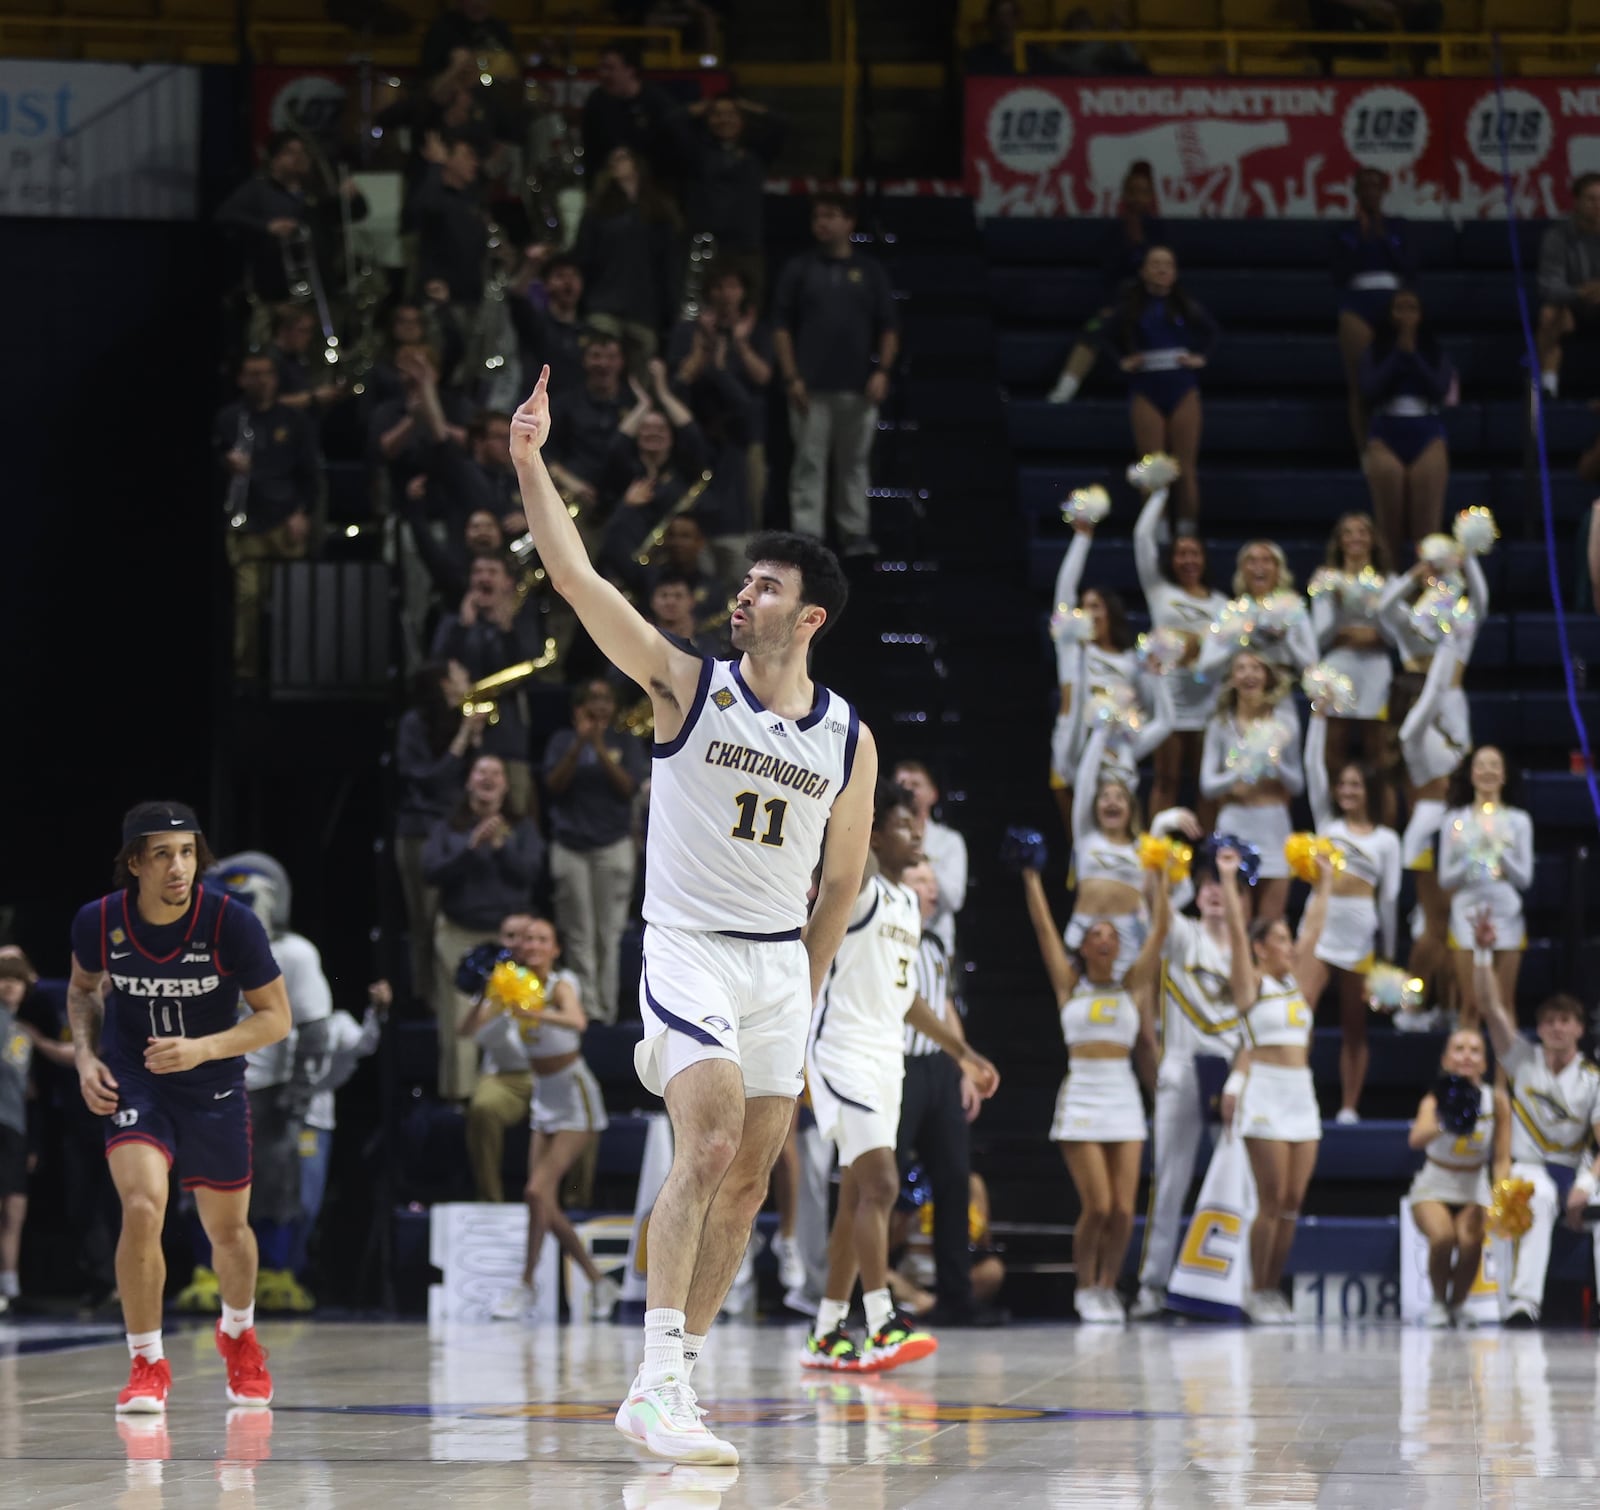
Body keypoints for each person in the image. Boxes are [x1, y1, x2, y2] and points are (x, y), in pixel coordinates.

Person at [511, 365, 880, 1464]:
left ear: (806, 614)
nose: (740, 597)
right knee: (708, 1137)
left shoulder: (848, 738)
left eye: (763, 587)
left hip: (779, 970)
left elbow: (842, 884)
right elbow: (577, 580)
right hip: (686, 948)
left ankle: (684, 1376)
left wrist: (808, 995)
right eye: (743, 583)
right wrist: (530, 461)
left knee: (754, 1176)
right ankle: (654, 1376)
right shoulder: (685, 684)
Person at [67, 801, 290, 1412]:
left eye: (188, 852)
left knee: (229, 1232)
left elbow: (277, 1018)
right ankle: (147, 1361)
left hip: (212, 1082)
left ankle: (239, 1334)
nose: (179, 866)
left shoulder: (231, 922)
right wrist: (86, 1059)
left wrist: (203, 1049)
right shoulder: (99, 921)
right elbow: (83, 991)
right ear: (134, 862)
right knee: (142, 1207)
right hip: (136, 1081)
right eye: (163, 854)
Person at [802, 784, 999, 1371]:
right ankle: (882, 1319)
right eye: (903, 825)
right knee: (883, 1186)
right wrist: (859, 793)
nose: (918, 834)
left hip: (888, 1057)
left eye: (920, 826)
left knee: (859, 1196)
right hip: (842, 1051)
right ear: (876, 835)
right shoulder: (857, 887)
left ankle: (827, 1331)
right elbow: (852, 849)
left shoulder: (908, 906)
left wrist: (963, 1052)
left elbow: (908, 997)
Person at [1022, 838, 1164, 1322]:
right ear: (1083, 944)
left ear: (1119, 946)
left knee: (1124, 1210)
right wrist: (1031, 879)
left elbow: (1160, 931)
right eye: (1095, 933)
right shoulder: (1070, 985)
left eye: (1111, 934)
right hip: (1082, 1092)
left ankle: (1108, 1285)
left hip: (1123, 1093)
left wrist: (1160, 876)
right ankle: (1085, 1284)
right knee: (1098, 1205)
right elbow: (1043, 930)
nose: (1104, 938)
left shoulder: (1133, 987)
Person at [476, 916, 622, 1322]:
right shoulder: (509, 984)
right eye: (527, 940)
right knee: (538, 1199)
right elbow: (465, 1029)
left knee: (538, 1193)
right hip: (543, 1095)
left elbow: (576, 1021)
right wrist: (480, 997)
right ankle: (595, 1281)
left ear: (555, 948)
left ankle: (529, 1285)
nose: (533, 946)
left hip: (575, 1094)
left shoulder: (561, 982)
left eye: (543, 940)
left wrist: (532, 1011)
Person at [1219, 845, 1333, 1326]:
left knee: (1291, 1202)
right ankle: (1255, 1286)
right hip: (1264, 1090)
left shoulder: (1298, 984)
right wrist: (1228, 882)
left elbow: (1315, 928)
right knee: (1270, 1198)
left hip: (1300, 1093)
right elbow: (1235, 937)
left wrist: (1324, 883)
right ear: (1262, 948)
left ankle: (1272, 1287)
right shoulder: (1252, 985)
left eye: (1289, 940)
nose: (1290, 946)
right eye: (1280, 940)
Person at [1131, 849, 1244, 1319]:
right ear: (1196, 893)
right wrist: (1160, 838)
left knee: (1238, 1183)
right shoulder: (1181, 935)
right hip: (1181, 1068)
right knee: (1170, 1181)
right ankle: (1152, 1284)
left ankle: (1234, 1284)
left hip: (1231, 1074)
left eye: (1223, 884)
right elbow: (1151, 903)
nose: (1215, 891)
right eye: (1207, 884)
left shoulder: (1244, 951)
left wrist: (1239, 1077)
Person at [1472, 914, 1600, 1328]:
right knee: (1537, 1196)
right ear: (1540, 1028)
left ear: (1580, 1029)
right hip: (1530, 1167)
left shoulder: (1593, 1079)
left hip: (1577, 1168)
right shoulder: (1523, 1059)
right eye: (1549, 1021)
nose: (1557, 1028)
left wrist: (1584, 1186)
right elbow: (1490, 1008)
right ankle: (1524, 1304)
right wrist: (1482, 951)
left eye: (1566, 1021)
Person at [1380, 546, 1486, 1013]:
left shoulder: (1460, 629)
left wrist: (1470, 558)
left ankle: (1442, 1005)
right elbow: (1384, 607)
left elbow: (1481, 603)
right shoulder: (1414, 630)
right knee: (1436, 923)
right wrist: (1413, 574)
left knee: (1448, 922)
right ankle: (1412, 1003)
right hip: (1429, 820)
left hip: (1453, 812)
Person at [773, 192, 900, 557]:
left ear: (849, 222)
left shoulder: (870, 271)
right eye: (817, 216)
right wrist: (792, 377)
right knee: (808, 464)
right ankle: (808, 534)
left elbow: (889, 327)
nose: (822, 223)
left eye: (830, 215)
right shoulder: (799, 269)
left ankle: (854, 532)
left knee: (855, 464)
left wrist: (883, 371)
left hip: (858, 386)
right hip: (809, 387)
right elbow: (781, 327)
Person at [895, 860, 987, 1326]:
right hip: (896, 1064)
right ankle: (858, 1293)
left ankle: (957, 1295)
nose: (930, 888)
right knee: (881, 1180)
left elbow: (946, 1007)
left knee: (954, 1176)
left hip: (937, 1067)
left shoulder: (934, 944)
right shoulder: (885, 934)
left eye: (933, 880)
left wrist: (966, 1065)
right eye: (920, 880)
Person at [422, 753, 546, 1101]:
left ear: (506, 785)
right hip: (460, 935)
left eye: (496, 773)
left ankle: (524, 1098)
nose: (488, 779)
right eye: (481, 773)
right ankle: (461, 1099)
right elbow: (430, 872)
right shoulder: (450, 828)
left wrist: (501, 847)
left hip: (511, 941)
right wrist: (471, 847)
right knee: (460, 1023)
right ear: (469, 782)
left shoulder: (521, 827)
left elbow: (532, 874)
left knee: (516, 1020)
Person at [1304, 707, 1401, 1122]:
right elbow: (1312, 765)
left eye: (1355, 785)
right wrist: (1320, 718)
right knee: (1299, 1013)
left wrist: (1389, 956)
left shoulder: (1386, 840)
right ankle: (1296, 1091)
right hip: (1320, 922)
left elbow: (1391, 899)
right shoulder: (1327, 827)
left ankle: (1348, 1105)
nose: (1347, 790)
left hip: (1361, 928)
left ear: (1369, 790)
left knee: (1353, 1024)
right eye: (1342, 784)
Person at [1048, 519, 1169, 830]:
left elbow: (1154, 711)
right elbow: (1063, 592)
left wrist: (1158, 674)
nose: (1088, 612)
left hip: (1116, 744)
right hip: (1075, 738)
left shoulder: (1131, 660)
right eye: (1083, 606)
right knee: (1081, 834)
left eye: (1096, 606)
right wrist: (1082, 538)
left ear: (1110, 612)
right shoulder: (1072, 649)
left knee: (1118, 828)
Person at [543, 679, 649, 1026]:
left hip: (612, 846)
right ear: (578, 707)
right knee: (578, 933)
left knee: (608, 934)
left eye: (606, 698)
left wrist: (600, 746)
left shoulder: (625, 741)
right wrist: (579, 744)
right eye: (592, 698)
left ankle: (607, 1008)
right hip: (570, 847)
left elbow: (628, 787)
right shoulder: (561, 740)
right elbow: (553, 786)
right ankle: (586, 1008)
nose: (599, 705)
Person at [214, 352, 322, 680]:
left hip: (284, 521)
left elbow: (310, 474)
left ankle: (291, 672)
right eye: (252, 374)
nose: (260, 380)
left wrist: (303, 512)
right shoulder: (230, 418)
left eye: (266, 374)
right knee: (247, 600)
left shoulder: (293, 420)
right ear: (241, 379)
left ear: (275, 379)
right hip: (246, 524)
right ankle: (246, 673)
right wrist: (226, 463)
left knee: (291, 601)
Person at [1133, 470, 1227, 816]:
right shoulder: (1160, 591)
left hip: (1207, 697)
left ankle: (1207, 858)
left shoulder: (1219, 602)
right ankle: (1160, 853)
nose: (1188, 561)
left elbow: (1223, 645)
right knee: (1166, 778)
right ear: (1171, 560)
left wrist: (1196, 644)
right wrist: (1159, 493)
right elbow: (1141, 538)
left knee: (1206, 782)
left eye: (1195, 554)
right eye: (1181, 554)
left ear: (1204, 560)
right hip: (1168, 695)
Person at [429, 552, 551, 813]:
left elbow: (533, 668)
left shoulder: (520, 621)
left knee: (516, 810)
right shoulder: (454, 622)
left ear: (507, 582)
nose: (483, 578)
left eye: (492, 572)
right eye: (478, 572)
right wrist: (464, 627)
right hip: (460, 735)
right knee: (459, 812)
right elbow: (436, 673)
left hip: (509, 736)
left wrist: (507, 631)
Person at [395, 661, 486, 1009]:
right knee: (426, 920)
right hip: (421, 831)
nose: (469, 680)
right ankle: (427, 995)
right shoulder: (414, 724)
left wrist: (474, 738)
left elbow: (468, 779)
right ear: (445, 683)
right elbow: (428, 780)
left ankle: (456, 988)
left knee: (452, 917)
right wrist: (464, 737)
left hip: (455, 828)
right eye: (462, 675)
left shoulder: (459, 718)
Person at [1404, 1028, 1507, 1327]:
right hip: (1435, 1181)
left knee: (1470, 1240)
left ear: (1485, 1063)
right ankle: (1438, 1301)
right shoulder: (1434, 1099)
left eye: (1475, 1050)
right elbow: (1416, 1139)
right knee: (1444, 1237)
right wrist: (1446, 1121)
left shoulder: (1496, 1101)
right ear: (1446, 1060)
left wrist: (1501, 1196)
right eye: (1459, 1048)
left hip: (1474, 1183)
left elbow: (1500, 1157)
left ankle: (1459, 1303)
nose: (1466, 1055)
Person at [1110, 246, 1217, 528]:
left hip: (1181, 384)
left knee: (1185, 467)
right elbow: (1105, 334)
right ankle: (1156, 533)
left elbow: (1212, 333)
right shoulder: (1131, 306)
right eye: (1155, 264)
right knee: (1153, 468)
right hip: (1147, 384)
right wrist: (1123, 360)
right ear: (1143, 270)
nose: (1161, 269)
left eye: (1167, 264)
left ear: (1175, 272)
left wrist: (1200, 357)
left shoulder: (1185, 304)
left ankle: (1186, 532)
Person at [1048, 162, 1167, 404]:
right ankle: (1065, 389)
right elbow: (1108, 278)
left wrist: (1141, 245)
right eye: (1132, 191)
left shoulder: (1161, 232)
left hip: (1155, 303)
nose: (1137, 197)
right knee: (1094, 327)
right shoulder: (1114, 233)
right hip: (1121, 306)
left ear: (1152, 196)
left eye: (1143, 191)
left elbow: (1166, 274)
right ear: (1124, 195)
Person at [1200, 653, 1306, 924]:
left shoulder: (1283, 726)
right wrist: (1239, 771)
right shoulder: (1220, 725)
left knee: (1270, 925)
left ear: (1267, 676)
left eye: (1256, 668)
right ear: (1232, 679)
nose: (1249, 674)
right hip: (1235, 825)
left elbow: (1297, 785)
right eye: (1241, 668)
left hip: (1274, 825)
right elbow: (1207, 785)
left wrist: (1276, 763)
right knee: (1235, 922)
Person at [214, 130, 367, 309]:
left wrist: (354, 197)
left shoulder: (317, 192)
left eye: (303, 153)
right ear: (274, 159)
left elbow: (356, 214)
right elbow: (224, 216)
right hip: (277, 291)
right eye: (289, 152)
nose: (299, 158)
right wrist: (267, 226)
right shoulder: (258, 189)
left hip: (320, 290)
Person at [1438, 746, 1533, 1031]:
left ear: (1504, 775)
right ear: (1471, 774)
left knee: (1503, 1005)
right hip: (1467, 915)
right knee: (1472, 1003)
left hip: (1506, 915)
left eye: (1495, 765)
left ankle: (1506, 1078)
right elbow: (1445, 879)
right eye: (1481, 765)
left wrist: (1499, 849)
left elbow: (1525, 879)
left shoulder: (1519, 821)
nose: (1488, 771)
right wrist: (1472, 852)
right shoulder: (1455, 820)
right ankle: (1469, 1075)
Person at [0, 957, 74, 1314]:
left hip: (14, 1127)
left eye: (16, 980)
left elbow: (28, 1090)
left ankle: (10, 1288)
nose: (9, 986)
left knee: (14, 1208)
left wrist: (33, 1141)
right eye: (3, 979)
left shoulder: (22, 1031)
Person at [1361, 289, 1454, 566]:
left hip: (1426, 431)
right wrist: (1398, 354)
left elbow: (1440, 389)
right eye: (1399, 308)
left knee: (1427, 526)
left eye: (1411, 308)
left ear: (1422, 315)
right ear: (1389, 315)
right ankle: (1390, 582)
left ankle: (1425, 589)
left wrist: (1413, 355)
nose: (1405, 315)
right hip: (1386, 432)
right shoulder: (1375, 351)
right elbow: (1369, 389)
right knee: (1388, 523)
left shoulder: (1435, 351)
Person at [667, 94, 786, 302]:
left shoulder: (756, 155)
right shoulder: (697, 152)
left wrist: (747, 105)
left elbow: (781, 124)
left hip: (746, 246)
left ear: (742, 119)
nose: (724, 120)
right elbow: (670, 124)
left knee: (749, 309)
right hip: (706, 246)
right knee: (698, 310)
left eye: (731, 114)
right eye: (717, 114)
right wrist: (701, 107)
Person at [1308, 513, 1396, 792]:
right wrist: (1336, 611)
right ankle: (1332, 819)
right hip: (1338, 667)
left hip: (1376, 669)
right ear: (1339, 542)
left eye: (1362, 531)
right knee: (1333, 746)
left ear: (1372, 539)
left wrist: (1374, 628)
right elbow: (1320, 636)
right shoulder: (1325, 579)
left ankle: (1379, 818)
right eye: (1348, 532)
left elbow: (1395, 637)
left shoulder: (1388, 581)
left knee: (1378, 749)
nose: (1355, 537)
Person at [573, 147, 680, 374]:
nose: (615, 163)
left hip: (644, 311)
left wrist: (669, 312)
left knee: (640, 378)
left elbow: (668, 266)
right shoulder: (598, 209)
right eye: (611, 159)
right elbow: (583, 257)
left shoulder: (658, 210)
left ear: (637, 163)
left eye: (622, 157)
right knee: (600, 369)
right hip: (603, 304)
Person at [1332, 167, 1416, 454]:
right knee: (1359, 386)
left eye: (1375, 186)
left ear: (1383, 191)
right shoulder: (1345, 231)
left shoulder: (1398, 226)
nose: (1370, 191)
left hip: (1392, 302)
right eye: (1364, 186)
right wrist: (1360, 234)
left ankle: (1391, 450)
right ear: (1356, 192)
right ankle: (1365, 453)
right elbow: (1339, 274)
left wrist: (1382, 235)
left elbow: (1409, 269)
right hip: (1357, 302)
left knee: (1392, 379)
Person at [461, 913, 536, 1201]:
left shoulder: (557, 977)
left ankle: (576, 1202)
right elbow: (466, 1031)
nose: (517, 944)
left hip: (548, 1072)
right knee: (481, 1108)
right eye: (509, 936)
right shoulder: (491, 984)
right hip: (504, 1076)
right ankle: (491, 1200)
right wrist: (488, 995)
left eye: (525, 937)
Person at [1196, 540, 1319, 686]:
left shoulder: (1293, 608)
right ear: (1242, 570)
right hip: (1240, 694)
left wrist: (1286, 639)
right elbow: (1204, 670)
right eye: (1251, 561)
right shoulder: (1230, 611)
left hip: (1281, 692)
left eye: (1266, 560)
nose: (1259, 567)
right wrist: (1239, 640)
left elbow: (1312, 667)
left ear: (1278, 569)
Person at [1535, 171, 1600, 399]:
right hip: (1572, 308)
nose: (1597, 205)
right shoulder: (1557, 237)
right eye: (1591, 199)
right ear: (1577, 201)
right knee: (1548, 313)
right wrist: (1581, 292)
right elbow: (1548, 286)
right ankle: (1547, 386)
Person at [891, 760, 967, 955]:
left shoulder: (950, 841)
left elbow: (954, 899)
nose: (907, 790)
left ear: (933, 794)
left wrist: (922, 863)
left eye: (915, 784)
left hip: (936, 945)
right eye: (901, 784)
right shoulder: (884, 838)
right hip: (891, 938)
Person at [580, 42, 678, 183]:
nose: (602, 74)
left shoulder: (657, 102)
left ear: (630, 70)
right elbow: (591, 152)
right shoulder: (596, 101)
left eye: (609, 68)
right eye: (601, 68)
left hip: (652, 185)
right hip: (610, 185)